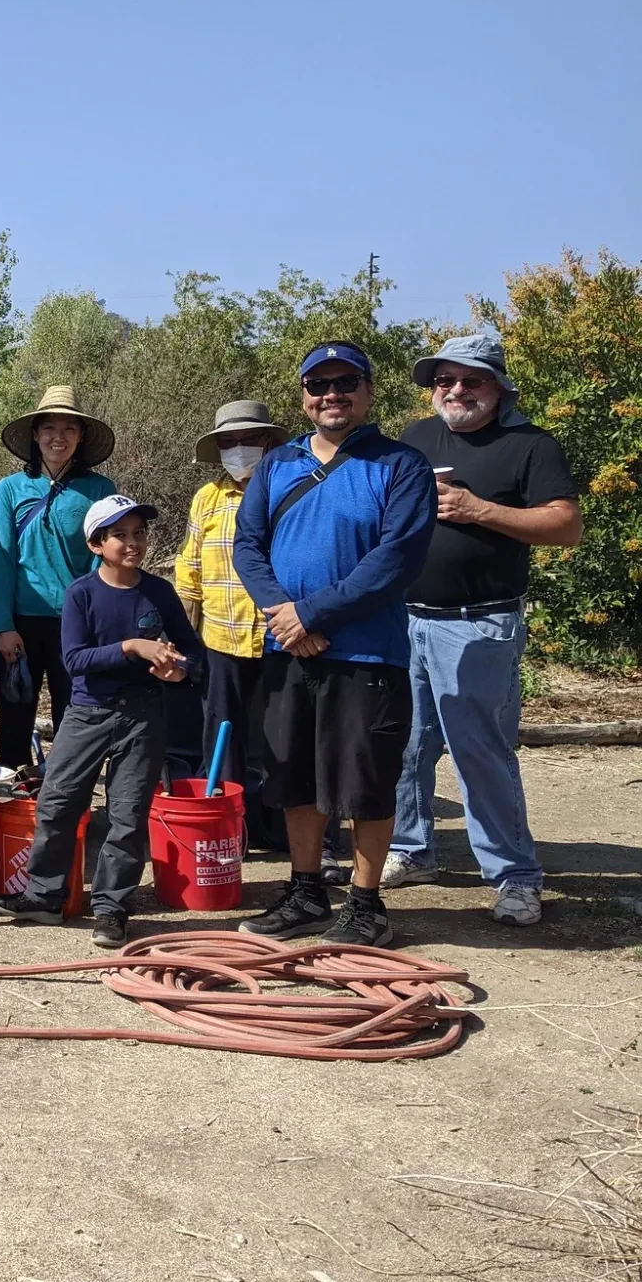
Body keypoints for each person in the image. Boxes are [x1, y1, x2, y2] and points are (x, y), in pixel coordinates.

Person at [233, 342, 437, 947]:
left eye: (345, 382)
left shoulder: (401, 466)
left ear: (368, 391)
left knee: (366, 780)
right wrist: (283, 616)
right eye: (318, 385)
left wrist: (310, 612)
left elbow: (395, 560)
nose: (332, 395)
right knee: (293, 773)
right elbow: (248, 545)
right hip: (288, 650)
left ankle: (366, 903)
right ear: (303, 396)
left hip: (367, 654)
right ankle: (304, 892)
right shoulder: (277, 464)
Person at [385, 329, 581, 925]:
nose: (456, 389)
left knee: (480, 753)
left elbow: (565, 525)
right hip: (403, 618)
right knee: (403, 744)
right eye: (444, 379)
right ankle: (411, 850)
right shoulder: (416, 439)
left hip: (479, 624)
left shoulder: (530, 445)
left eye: (471, 379)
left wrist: (479, 510)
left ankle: (515, 876)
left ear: (498, 386)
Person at [0, 497, 203, 948]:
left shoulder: (160, 593)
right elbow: (74, 659)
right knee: (57, 801)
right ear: (96, 544)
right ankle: (44, 896)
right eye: (120, 535)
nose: (132, 543)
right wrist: (132, 647)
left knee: (127, 815)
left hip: (145, 715)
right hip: (87, 713)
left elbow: (191, 650)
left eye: (138, 534)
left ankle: (112, 909)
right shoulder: (81, 593)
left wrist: (179, 670)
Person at [173, 402, 290, 855]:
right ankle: (226, 831)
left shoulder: (287, 489)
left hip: (280, 635)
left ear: (267, 442)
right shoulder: (207, 497)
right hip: (221, 636)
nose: (238, 448)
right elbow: (191, 568)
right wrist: (186, 634)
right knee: (222, 734)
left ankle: (288, 833)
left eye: (248, 439)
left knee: (284, 736)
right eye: (228, 441)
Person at [0, 386, 119, 769]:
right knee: (14, 722)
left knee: (74, 720)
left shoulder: (99, 490)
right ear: (35, 434)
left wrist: (90, 617)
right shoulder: (10, 489)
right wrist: (3, 626)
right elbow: (2, 559)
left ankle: (66, 809)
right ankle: (11, 806)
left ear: (81, 437)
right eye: (49, 428)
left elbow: (103, 558)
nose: (57, 437)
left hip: (75, 623)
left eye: (69, 429)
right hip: (20, 626)